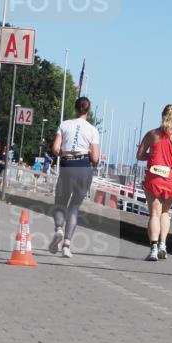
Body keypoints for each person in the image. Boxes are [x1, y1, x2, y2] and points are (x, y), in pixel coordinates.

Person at [136, 104, 172, 261]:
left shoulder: (152, 134)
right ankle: (163, 245)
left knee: (154, 214)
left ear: (162, 115)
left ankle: (153, 249)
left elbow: (139, 155)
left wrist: (153, 156)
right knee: (165, 213)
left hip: (154, 177)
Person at [49, 97, 100, 259]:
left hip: (67, 165)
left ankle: (58, 229)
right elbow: (96, 157)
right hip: (84, 166)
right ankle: (66, 245)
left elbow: (56, 148)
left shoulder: (64, 125)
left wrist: (64, 152)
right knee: (74, 207)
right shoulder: (92, 130)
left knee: (60, 201)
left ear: (75, 108)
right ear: (88, 111)